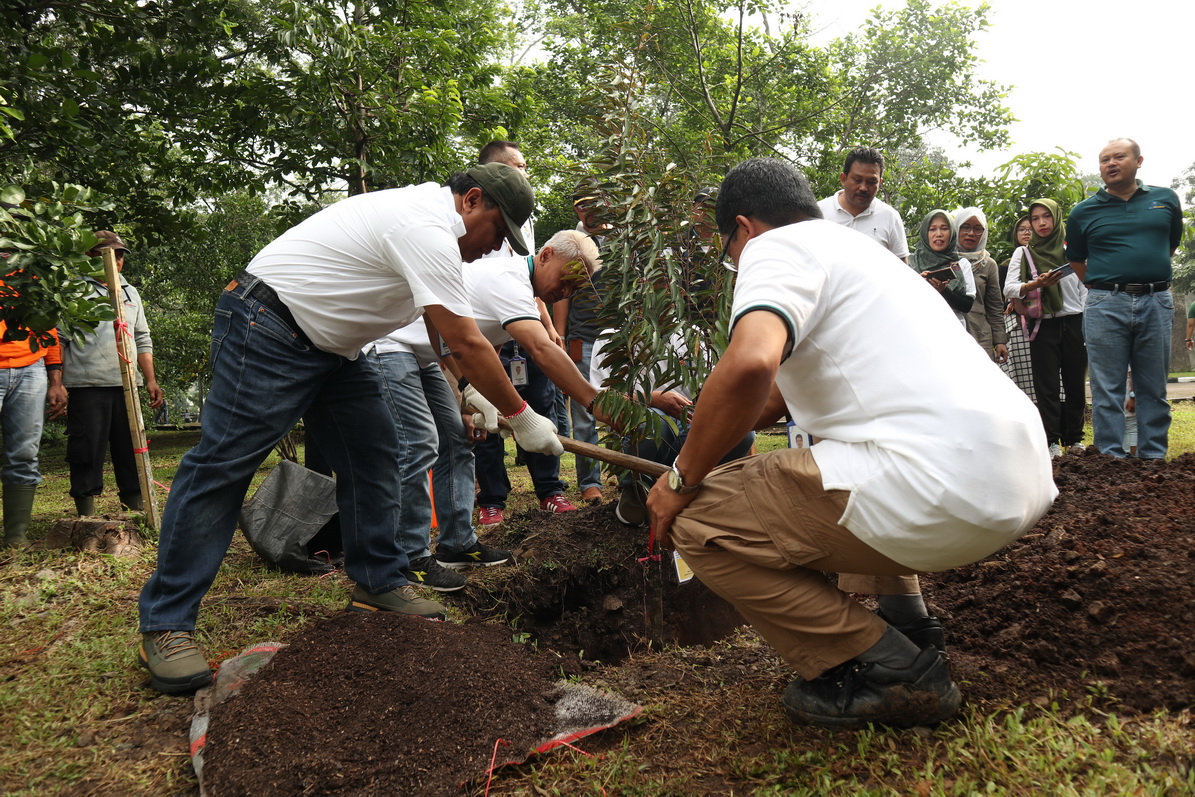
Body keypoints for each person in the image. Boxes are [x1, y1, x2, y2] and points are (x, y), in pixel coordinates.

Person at [646, 158, 1054, 729]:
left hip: (940, 488)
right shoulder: (868, 258)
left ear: (745, 227)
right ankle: (909, 621)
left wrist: (680, 480)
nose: (735, 263)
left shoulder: (775, 248)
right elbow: (773, 401)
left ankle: (894, 669)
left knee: (698, 521)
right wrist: (707, 442)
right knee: (844, 459)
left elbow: (749, 368)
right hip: (1018, 476)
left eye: (729, 250)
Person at [136, 163, 563, 695]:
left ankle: (379, 580)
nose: (496, 248)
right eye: (499, 233)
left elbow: (438, 324)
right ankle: (167, 624)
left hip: (337, 349)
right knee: (222, 467)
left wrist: (467, 387)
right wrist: (521, 416)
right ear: (473, 201)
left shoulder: (439, 230)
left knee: (375, 455)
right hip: (269, 325)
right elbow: (469, 338)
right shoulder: (425, 225)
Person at [369, 229, 606, 591]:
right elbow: (542, 350)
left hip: (429, 357)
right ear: (545, 256)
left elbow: (479, 347)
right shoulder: (507, 279)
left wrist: (472, 392)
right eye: (566, 281)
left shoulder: (519, 288)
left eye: (576, 290)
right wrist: (591, 402)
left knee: (457, 442)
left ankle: (457, 544)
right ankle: (411, 559)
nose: (566, 293)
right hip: (392, 346)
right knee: (419, 445)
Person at [1066, 138, 1184, 459]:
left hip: (1156, 301)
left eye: (1119, 157)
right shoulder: (1083, 211)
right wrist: (1103, 286)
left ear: (1139, 160)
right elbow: (1076, 258)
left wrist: (1146, 274)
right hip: (1106, 304)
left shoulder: (1165, 200)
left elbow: (1170, 244)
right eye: (1104, 160)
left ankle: (1153, 458)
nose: (1110, 164)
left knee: (1153, 389)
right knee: (1107, 390)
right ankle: (1111, 460)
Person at [60, 232, 164, 515]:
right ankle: (86, 513)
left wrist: (151, 380)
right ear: (90, 257)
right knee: (86, 451)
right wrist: (56, 382)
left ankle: (135, 509)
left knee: (130, 449)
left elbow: (142, 338)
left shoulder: (130, 292)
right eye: (107, 254)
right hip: (87, 385)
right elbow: (60, 338)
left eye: (119, 255)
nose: (115, 260)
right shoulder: (74, 291)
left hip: (128, 385)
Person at [1004, 199, 1088, 457]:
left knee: (1075, 384)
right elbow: (1009, 288)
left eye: (1046, 217)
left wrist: (1086, 322)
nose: (1041, 223)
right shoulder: (1024, 253)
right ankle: (1051, 441)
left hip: (1074, 322)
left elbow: (1086, 288)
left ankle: (1074, 439)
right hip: (1043, 324)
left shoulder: (1071, 249)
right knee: (1047, 385)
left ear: (1056, 218)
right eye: (1036, 218)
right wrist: (1033, 285)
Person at [0, 259, 67, 548]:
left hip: (31, 368)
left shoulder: (34, 275)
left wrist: (55, 380)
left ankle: (16, 537)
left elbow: (48, 326)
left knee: (25, 453)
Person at [552, 183, 610, 507]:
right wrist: (559, 335)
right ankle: (590, 483)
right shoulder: (571, 243)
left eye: (595, 202)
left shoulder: (624, 240)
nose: (589, 209)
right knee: (585, 411)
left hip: (620, 338)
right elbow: (564, 291)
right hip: (583, 336)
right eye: (583, 204)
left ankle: (630, 474)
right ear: (577, 209)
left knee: (630, 403)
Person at [816, 147, 909, 262]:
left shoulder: (889, 217)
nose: (863, 188)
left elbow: (901, 270)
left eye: (871, 182)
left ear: (880, 183)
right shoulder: (818, 213)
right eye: (857, 180)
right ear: (843, 179)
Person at [954, 208, 1008, 363]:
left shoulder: (988, 264)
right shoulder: (943, 259)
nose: (971, 233)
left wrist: (1000, 340)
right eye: (965, 227)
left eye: (978, 229)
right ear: (956, 228)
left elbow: (995, 306)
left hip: (980, 335)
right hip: (950, 331)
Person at [909, 210, 975, 323]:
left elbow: (966, 305)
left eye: (944, 228)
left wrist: (944, 290)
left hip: (951, 328)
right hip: (917, 326)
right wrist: (918, 283)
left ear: (952, 233)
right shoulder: (911, 262)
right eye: (932, 229)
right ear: (925, 233)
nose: (938, 234)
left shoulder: (961, 264)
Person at [999, 217, 1036, 399]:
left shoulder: (1047, 259)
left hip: (1040, 323)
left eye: (1030, 229)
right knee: (1020, 376)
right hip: (1015, 324)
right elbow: (1002, 296)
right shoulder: (1007, 265)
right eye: (1022, 229)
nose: (1027, 233)